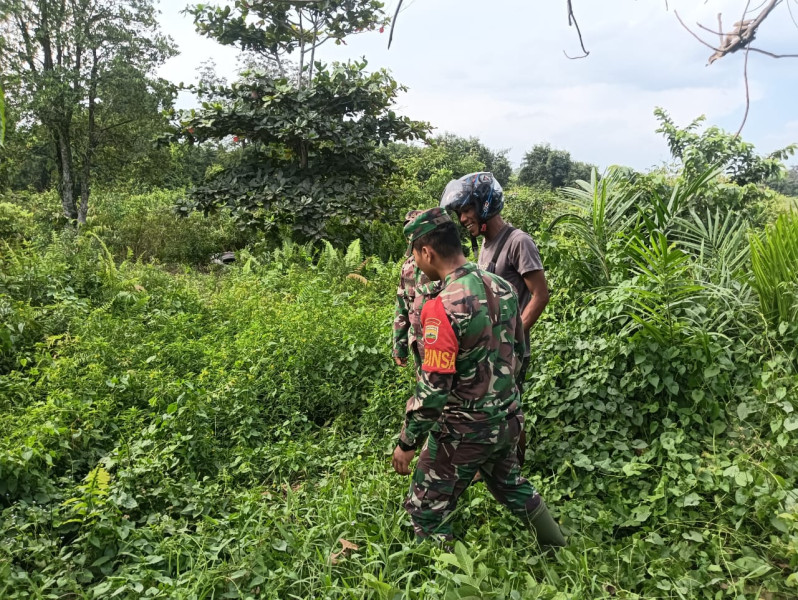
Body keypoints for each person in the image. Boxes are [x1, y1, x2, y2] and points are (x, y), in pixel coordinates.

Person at [391, 207, 565, 547]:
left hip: (464, 430)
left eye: (415, 253)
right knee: (511, 485)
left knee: (425, 507)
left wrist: (407, 442)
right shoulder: (502, 287)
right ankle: (559, 547)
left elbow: (434, 390)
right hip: (507, 417)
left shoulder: (440, 308)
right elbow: (519, 350)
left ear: (426, 252)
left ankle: (446, 578)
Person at [440, 172, 550, 465]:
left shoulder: (518, 242)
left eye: (466, 210)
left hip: (508, 347)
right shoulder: (485, 245)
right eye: (460, 213)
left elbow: (540, 295)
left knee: (510, 407)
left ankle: (516, 467)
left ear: (484, 204)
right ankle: (493, 465)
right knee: (490, 407)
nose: (463, 219)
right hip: (489, 347)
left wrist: (513, 336)